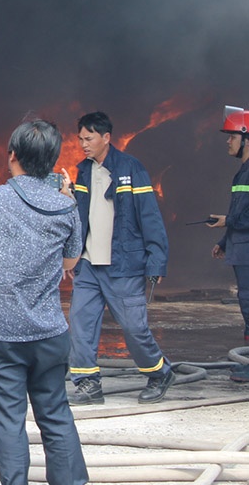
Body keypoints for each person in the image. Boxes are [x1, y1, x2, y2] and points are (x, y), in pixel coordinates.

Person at [0, 119, 88, 485]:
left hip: (0, 337)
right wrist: (66, 199)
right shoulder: (66, 207)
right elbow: (70, 263)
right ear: (53, 161)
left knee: (9, 423)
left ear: (12, 155)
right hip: (49, 334)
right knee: (55, 415)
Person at [63, 111, 175, 405]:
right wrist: (73, 254)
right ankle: (88, 383)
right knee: (81, 324)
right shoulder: (83, 171)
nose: (83, 144)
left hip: (124, 265)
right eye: (80, 139)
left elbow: (149, 216)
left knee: (134, 328)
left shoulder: (131, 168)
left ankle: (159, 373)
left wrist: (156, 260)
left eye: (89, 138)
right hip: (89, 265)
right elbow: (80, 216)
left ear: (106, 138)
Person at [207, 106, 249, 382]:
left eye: (232, 136)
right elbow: (240, 211)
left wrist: (227, 222)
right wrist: (224, 240)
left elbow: (242, 216)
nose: (228, 141)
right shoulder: (242, 173)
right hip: (241, 249)